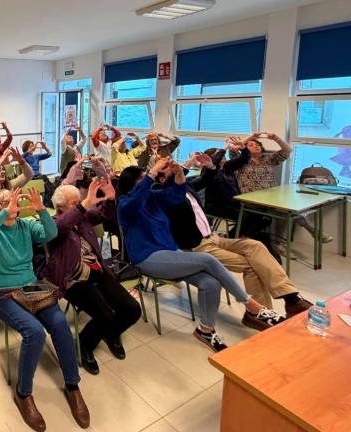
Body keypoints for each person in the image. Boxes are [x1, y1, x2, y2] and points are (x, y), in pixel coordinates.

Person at [117, 158, 284, 352]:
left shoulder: (152, 197)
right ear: (132, 184)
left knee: (211, 283)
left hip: (171, 254)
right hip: (147, 257)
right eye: (141, 179)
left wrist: (179, 173)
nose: (147, 180)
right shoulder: (125, 204)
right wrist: (152, 173)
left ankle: (206, 329)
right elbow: (135, 201)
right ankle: (250, 304)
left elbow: (176, 195)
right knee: (207, 259)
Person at [0, 187, 89, 431]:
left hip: (30, 286)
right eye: (5, 202)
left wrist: (40, 210)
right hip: (1, 292)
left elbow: (49, 233)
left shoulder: (26, 226)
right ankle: (23, 393)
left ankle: (73, 386)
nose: (12, 204)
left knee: (60, 324)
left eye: (14, 201)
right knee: (35, 332)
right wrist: (1, 214)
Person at [156, 153, 312, 323]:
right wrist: (183, 167)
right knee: (252, 266)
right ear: (163, 179)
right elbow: (174, 185)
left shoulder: (187, 187)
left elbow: (206, 179)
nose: (175, 169)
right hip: (198, 246)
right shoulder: (164, 195)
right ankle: (262, 314)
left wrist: (210, 167)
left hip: (213, 238)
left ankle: (290, 298)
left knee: (256, 246)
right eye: (169, 169)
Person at [44, 181, 141, 375]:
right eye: (75, 203)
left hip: (97, 270)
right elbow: (62, 226)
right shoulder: (52, 223)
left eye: (80, 202)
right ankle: (85, 344)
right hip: (72, 278)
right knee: (106, 315)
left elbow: (105, 214)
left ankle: (111, 332)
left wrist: (111, 198)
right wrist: (85, 203)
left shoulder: (83, 218)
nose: (82, 206)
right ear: (61, 207)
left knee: (132, 310)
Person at [229, 132, 333, 248]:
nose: (256, 146)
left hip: (271, 197)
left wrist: (276, 138)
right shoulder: (239, 160)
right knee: (286, 212)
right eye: (251, 145)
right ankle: (306, 233)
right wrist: (252, 137)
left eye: (258, 144)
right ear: (245, 148)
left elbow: (287, 151)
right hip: (250, 199)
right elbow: (234, 149)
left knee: (288, 211)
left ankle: (279, 243)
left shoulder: (267, 159)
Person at [0, 147, 33, 221]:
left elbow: (29, 175)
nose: (3, 171)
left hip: (12, 225)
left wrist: (21, 161)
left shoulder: (9, 186)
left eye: (3, 169)